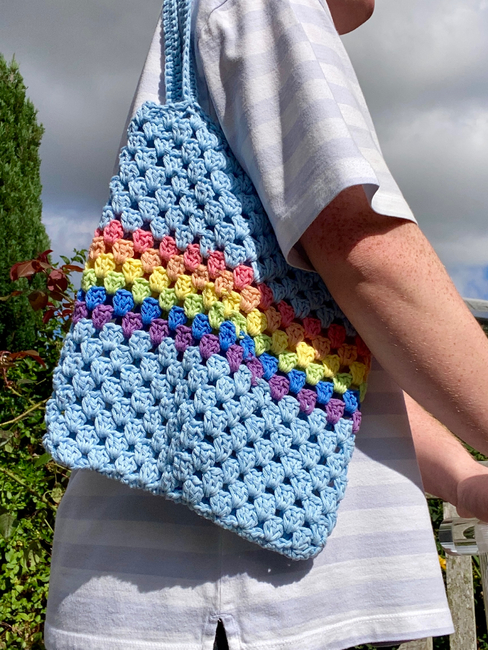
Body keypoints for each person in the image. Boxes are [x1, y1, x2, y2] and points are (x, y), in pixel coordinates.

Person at [43, 1, 488, 649]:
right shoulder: (270, 4)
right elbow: (364, 249)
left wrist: (462, 479)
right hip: (246, 609)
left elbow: (324, 368)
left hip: (235, 605)